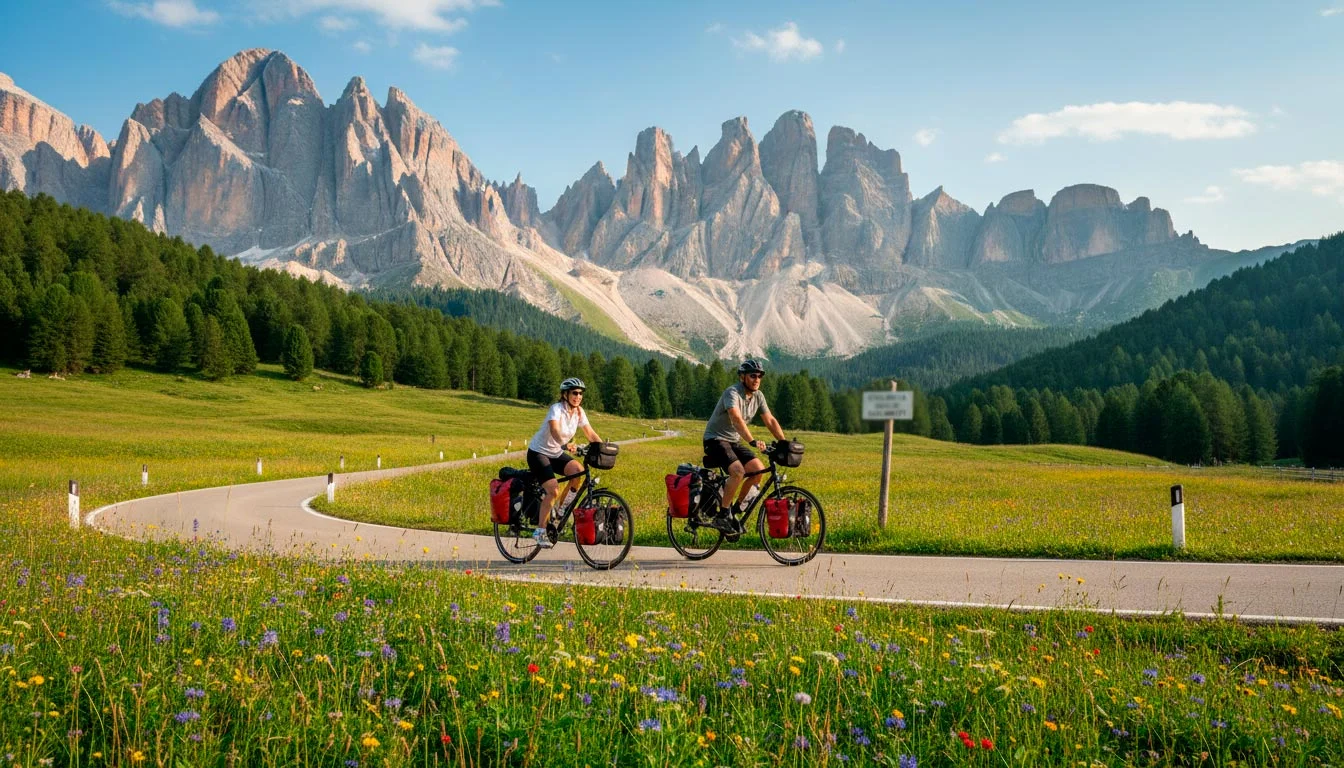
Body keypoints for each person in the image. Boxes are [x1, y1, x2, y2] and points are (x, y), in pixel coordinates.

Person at [702, 359, 788, 533]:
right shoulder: (732, 392)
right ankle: (722, 516)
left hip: (733, 442)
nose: (757, 379)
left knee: (758, 470)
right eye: (753, 375)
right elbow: (736, 418)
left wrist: (783, 442)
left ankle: (734, 512)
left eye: (760, 376)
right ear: (743, 377)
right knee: (738, 471)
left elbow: (770, 420)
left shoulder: (758, 396)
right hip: (715, 440)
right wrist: (752, 441)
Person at [526, 377, 602, 548]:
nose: (578, 396)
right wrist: (564, 444)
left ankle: (560, 512)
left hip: (555, 453)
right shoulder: (556, 409)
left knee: (578, 472)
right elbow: (554, 430)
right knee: (553, 490)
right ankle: (540, 531)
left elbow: (590, 433)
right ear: (565, 394)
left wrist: (603, 448)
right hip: (538, 453)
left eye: (580, 393)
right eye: (574, 393)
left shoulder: (579, 412)